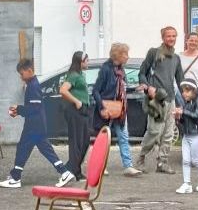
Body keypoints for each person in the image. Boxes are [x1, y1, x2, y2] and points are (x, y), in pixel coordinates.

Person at [0, 59, 77, 189]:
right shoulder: (33, 84)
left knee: (23, 148)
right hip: (37, 125)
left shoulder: (33, 86)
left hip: (33, 126)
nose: (21, 77)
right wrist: (19, 110)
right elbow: (34, 108)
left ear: (29, 71)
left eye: (22, 74)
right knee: (43, 150)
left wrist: (18, 109)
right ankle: (64, 172)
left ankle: (16, 178)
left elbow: (34, 108)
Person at [138, 25, 182, 173]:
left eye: (174, 36)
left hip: (171, 99)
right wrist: (148, 87)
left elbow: (181, 81)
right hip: (156, 100)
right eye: (168, 36)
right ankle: (141, 158)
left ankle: (162, 163)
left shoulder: (176, 58)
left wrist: (188, 99)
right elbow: (142, 73)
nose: (171, 39)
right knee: (154, 131)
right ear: (163, 37)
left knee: (169, 134)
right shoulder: (153, 53)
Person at [93, 42, 141, 176]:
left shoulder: (121, 70)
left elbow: (121, 89)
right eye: (125, 54)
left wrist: (134, 88)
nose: (127, 57)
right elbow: (96, 91)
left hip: (120, 109)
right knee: (104, 140)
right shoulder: (106, 69)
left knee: (124, 137)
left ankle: (128, 166)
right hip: (108, 109)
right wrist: (101, 108)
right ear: (118, 55)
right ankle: (101, 166)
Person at [58, 50, 92, 174]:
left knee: (85, 141)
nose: (89, 62)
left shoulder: (80, 74)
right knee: (77, 141)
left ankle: (71, 168)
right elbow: (63, 90)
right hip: (75, 110)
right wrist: (77, 101)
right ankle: (74, 171)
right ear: (80, 62)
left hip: (84, 111)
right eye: (87, 60)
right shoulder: (73, 75)